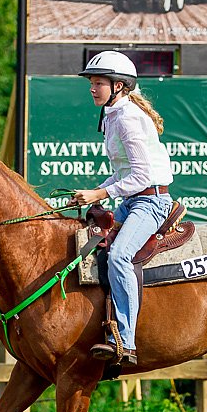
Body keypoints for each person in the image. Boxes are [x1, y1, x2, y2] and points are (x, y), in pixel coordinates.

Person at [69, 51, 174, 366]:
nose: (92, 88)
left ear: (119, 86)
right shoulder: (113, 114)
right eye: (91, 82)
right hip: (134, 199)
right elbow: (124, 173)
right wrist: (95, 195)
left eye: (98, 82)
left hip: (152, 202)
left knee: (119, 256)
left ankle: (125, 341)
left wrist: (99, 191)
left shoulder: (127, 117)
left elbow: (141, 176)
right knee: (90, 243)